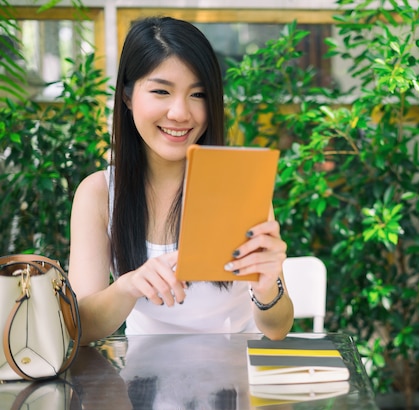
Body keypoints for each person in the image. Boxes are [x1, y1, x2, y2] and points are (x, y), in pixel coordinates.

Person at [68, 16, 294, 344]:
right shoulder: (99, 193)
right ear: (128, 97)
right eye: (161, 91)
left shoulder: (238, 185)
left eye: (198, 94)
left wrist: (267, 284)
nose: (180, 113)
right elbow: (80, 329)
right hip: (143, 382)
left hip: (234, 380)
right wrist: (128, 286)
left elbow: (277, 328)